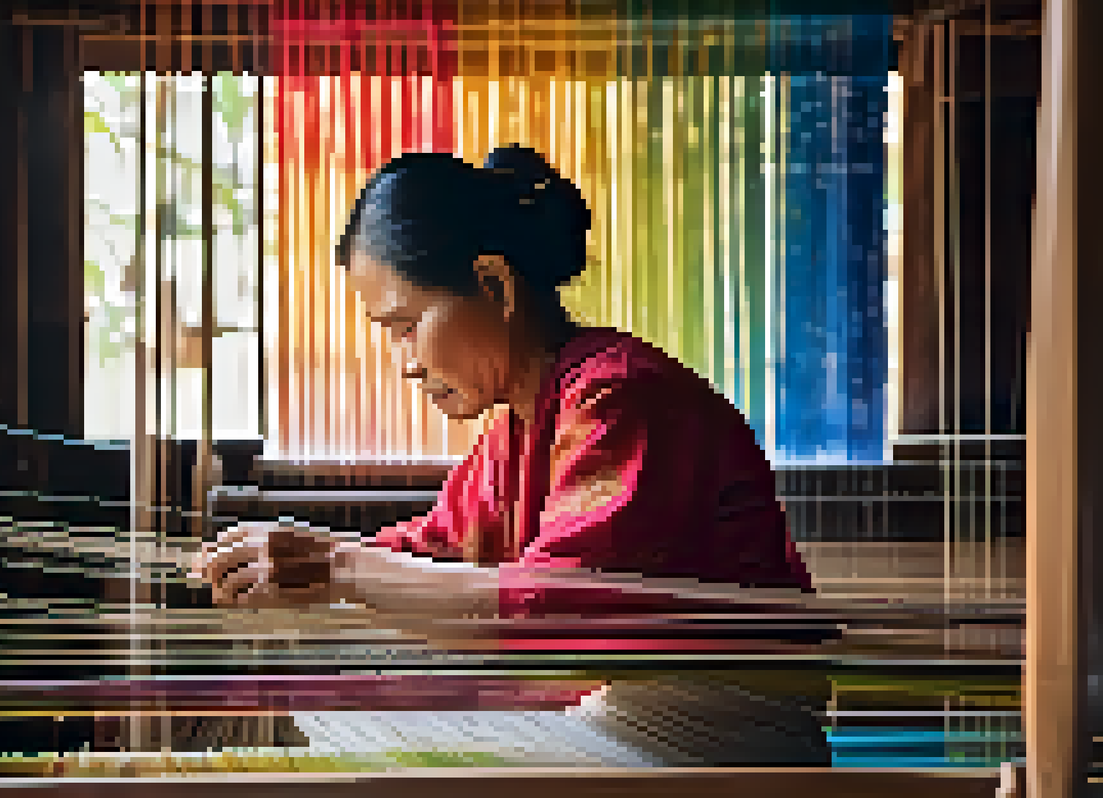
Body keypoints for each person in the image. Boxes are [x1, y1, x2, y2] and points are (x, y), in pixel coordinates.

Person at [193, 144, 833, 767]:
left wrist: (336, 569)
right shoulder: (518, 434)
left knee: (340, 740)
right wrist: (295, 568)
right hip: (623, 725)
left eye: (408, 325)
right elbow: (430, 552)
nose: (406, 364)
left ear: (493, 284)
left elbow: (552, 608)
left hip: (723, 745)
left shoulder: (621, 398)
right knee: (329, 715)